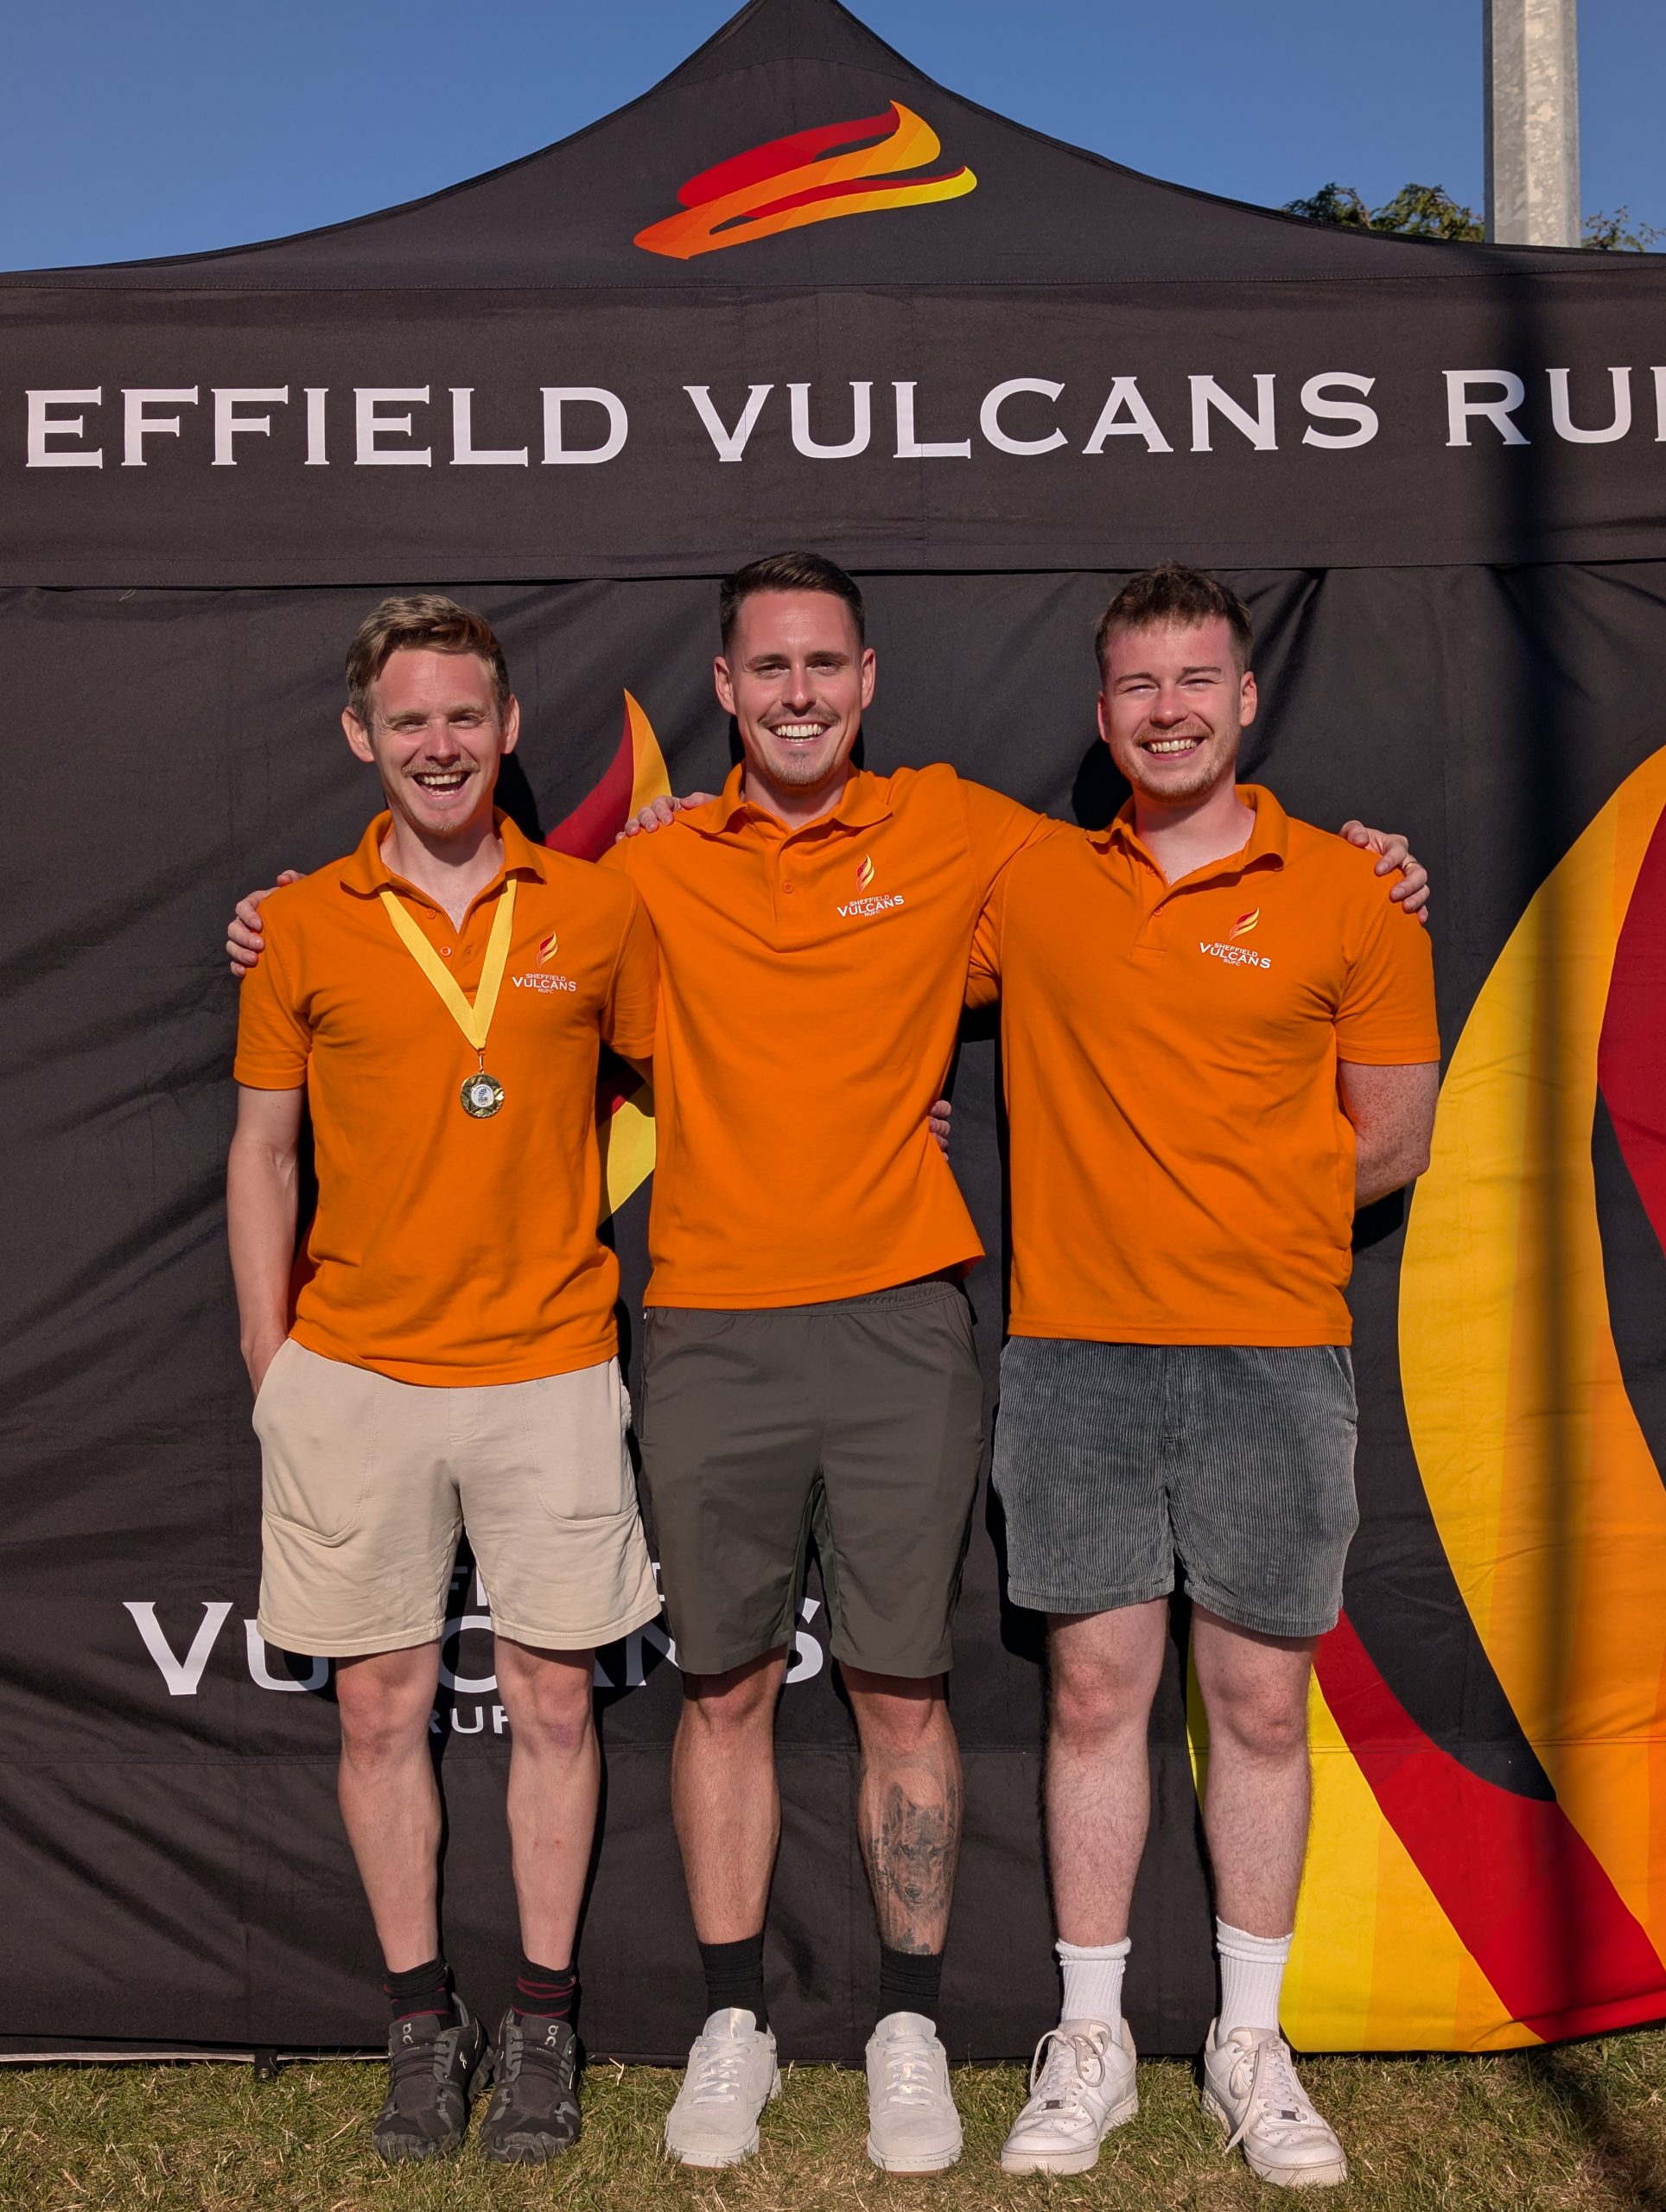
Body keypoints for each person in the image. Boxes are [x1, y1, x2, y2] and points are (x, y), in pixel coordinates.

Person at [226, 554, 1427, 2176]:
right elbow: (486, 977)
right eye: (768, 669)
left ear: (868, 681)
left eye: (825, 666)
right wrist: (282, 921)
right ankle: (733, 2019)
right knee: (721, 1686)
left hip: (904, 1319)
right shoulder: (638, 875)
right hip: (709, 1320)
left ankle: (911, 2026)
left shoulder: (969, 836)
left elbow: (1165, 877)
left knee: (904, 1687)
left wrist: (1367, 867)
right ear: (725, 691)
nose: (798, 695)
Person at [975, 564, 1440, 2187]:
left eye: (1196, 682)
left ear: (1245, 699)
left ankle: (1251, 2042)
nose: (1167, 712)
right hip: (1075, 1352)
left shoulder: (1356, 891)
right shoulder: (1031, 883)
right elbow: (830, 941)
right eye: (1138, 685)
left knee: (1256, 1700)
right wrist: (678, 830)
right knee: (1095, 1697)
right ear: (1100, 712)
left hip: (1274, 1351)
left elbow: (1396, 1135)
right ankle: (1089, 2041)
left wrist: (1237, 1219)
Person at [226, 595, 662, 2165]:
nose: (439, 745)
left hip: (550, 1361)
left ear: (509, 727)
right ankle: (421, 2024)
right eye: (408, 719)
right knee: (378, 1709)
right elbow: (263, 1156)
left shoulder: (598, 912)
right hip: (357, 1371)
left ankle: (542, 2022)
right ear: (362, 736)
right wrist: (273, 1364)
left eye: (465, 715)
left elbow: (701, 1080)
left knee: (553, 1700)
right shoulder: (301, 926)